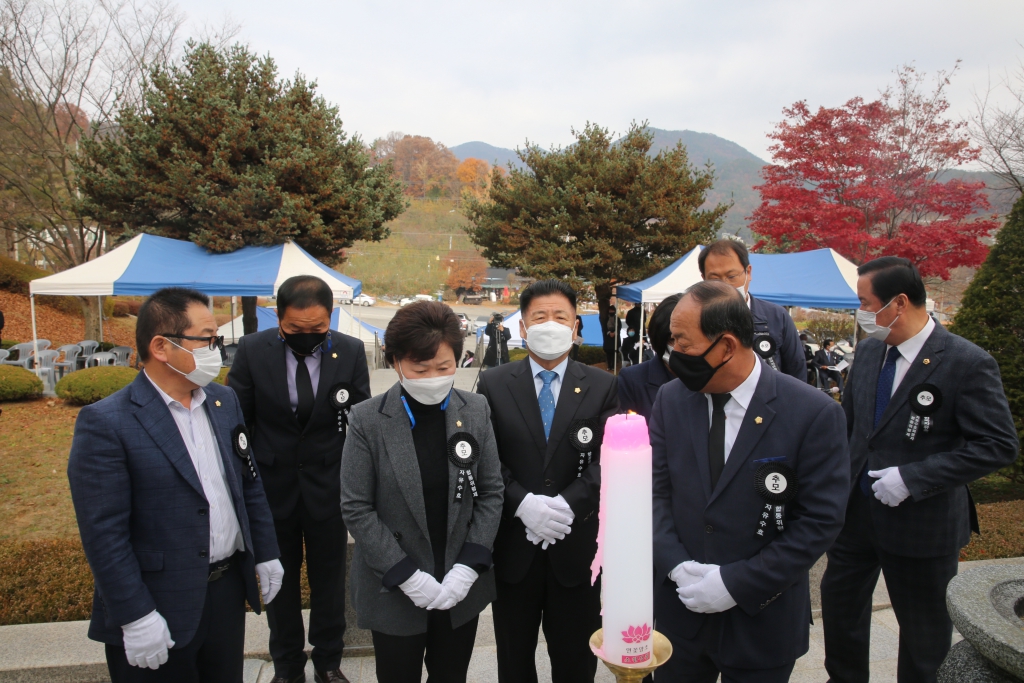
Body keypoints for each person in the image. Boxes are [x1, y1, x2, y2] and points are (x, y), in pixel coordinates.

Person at [67, 287, 282, 683]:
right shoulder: (107, 422)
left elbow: (247, 483)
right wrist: (135, 615)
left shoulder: (223, 401)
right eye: (206, 339)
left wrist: (265, 551)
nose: (216, 350)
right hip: (156, 603)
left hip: (225, 594)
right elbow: (103, 533)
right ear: (161, 347)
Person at [821, 257, 1019, 683]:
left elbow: (998, 445)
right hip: (855, 517)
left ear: (900, 303)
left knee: (923, 639)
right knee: (840, 615)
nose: (861, 313)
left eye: (865, 302)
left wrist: (914, 478)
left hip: (921, 525)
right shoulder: (872, 350)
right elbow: (854, 428)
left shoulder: (966, 362)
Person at [650, 280, 849, 683]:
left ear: (725, 347)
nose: (674, 355)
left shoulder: (812, 413)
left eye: (683, 343)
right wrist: (675, 565)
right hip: (680, 619)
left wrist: (736, 583)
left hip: (763, 620)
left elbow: (819, 521)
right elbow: (653, 492)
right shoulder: (671, 399)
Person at [340, 301, 504, 683]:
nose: (433, 376)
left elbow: (492, 491)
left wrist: (469, 565)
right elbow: (356, 507)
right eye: (420, 368)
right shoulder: (367, 419)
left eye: (444, 367)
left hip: (458, 585)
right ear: (395, 361)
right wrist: (407, 575)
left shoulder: (476, 408)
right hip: (395, 585)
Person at [227, 276, 371, 683]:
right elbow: (238, 420)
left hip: (329, 486)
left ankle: (328, 662)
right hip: (272, 487)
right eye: (295, 330)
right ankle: (288, 665)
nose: (307, 337)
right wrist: (247, 482)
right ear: (278, 317)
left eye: (317, 329)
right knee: (279, 582)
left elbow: (359, 421)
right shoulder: (254, 350)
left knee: (330, 580)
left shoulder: (350, 350)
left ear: (331, 317)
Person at [477, 279, 619, 683]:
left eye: (561, 316)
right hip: (513, 550)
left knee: (575, 660)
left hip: (575, 549)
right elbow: (488, 458)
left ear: (576, 328)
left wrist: (566, 503)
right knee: (514, 659)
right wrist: (523, 504)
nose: (550, 324)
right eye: (540, 316)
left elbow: (609, 457)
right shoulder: (494, 383)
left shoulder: (605, 385)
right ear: (522, 327)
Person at [699, 239, 804, 381]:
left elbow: (796, 371)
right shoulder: (695, 320)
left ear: (748, 272)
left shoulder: (777, 317)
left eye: (731, 277)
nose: (725, 285)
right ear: (703, 279)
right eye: (714, 278)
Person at [617, 294, 681, 418]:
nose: (681, 347)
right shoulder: (632, 379)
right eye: (673, 340)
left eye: (688, 339)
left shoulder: (710, 378)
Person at [603, 305, 622, 371]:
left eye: (613, 310)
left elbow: (619, 327)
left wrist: (615, 333)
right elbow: (604, 328)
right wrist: (609, 333)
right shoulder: (606, 319)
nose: (611, 311)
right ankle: (609, 366)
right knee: (608, 353)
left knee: (614, 352)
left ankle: (614, 366)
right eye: (610, 310)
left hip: (615, 338)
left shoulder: (617, 319)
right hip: (608, 338)